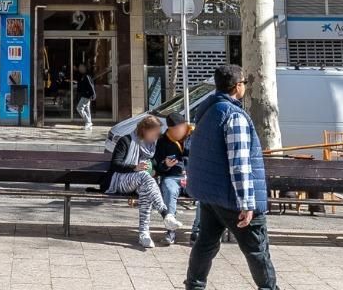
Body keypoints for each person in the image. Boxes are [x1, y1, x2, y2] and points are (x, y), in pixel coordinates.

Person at [183, 64, 277, 290]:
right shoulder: (234, 116)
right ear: (237, 86)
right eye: (244, 82)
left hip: (211, 194)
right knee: (257, 249)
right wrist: (246, 203)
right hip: (233, 197)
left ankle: (194, 286)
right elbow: (240, 163)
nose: (244, 86)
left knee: (205, 244)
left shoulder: (207, 110)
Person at [103, 115, 184, 249]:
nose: (157, 136)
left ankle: (144, 234)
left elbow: (156, 167)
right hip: (120, 180)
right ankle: (165, 214)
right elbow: (115, 164)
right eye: (155, 133)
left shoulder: (152, 146)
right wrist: (134, 167)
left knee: (146, 188)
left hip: (141, 182)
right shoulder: (126, 140)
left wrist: (166, 165)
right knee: (144, 177)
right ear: (145, 130)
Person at [154, 113, 192, 245]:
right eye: (173, 130)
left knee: (204, 193)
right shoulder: (163, 141)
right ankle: (170, 230)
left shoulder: (196, 136)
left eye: (178, 129)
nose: (176, 132)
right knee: (169, 189)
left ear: (184, 125)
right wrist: (165, 165)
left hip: (193, 177)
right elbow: (157, 166)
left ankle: (197, 231)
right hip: (172, 177)